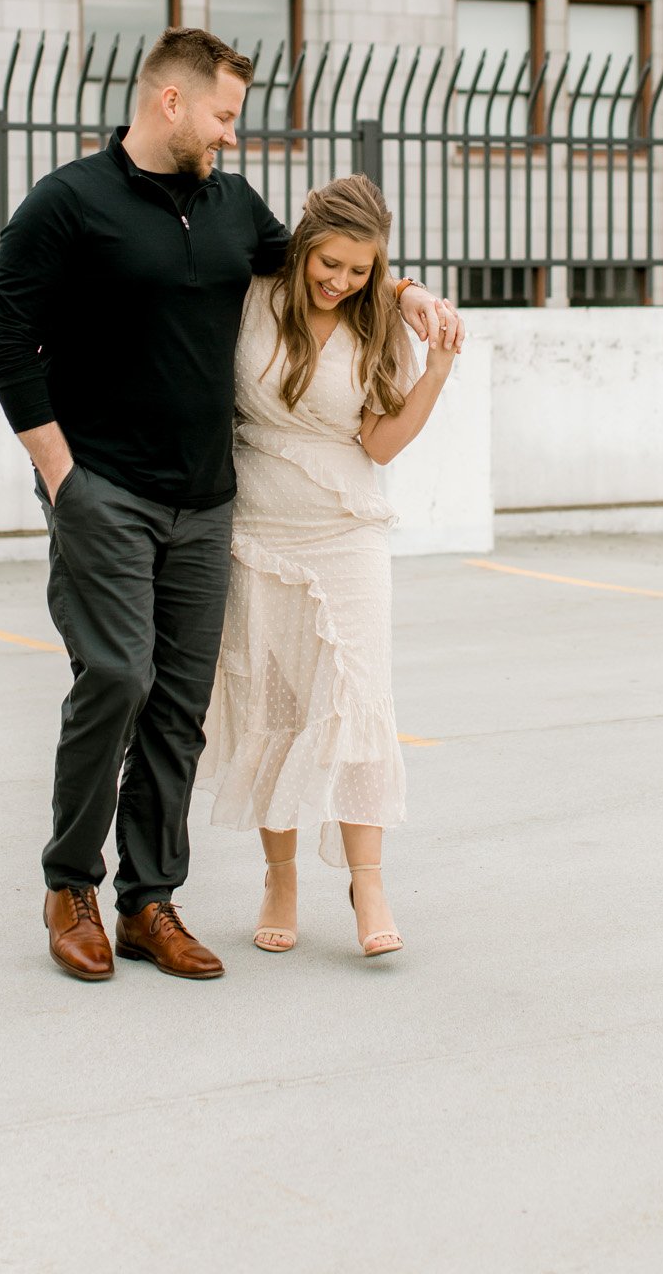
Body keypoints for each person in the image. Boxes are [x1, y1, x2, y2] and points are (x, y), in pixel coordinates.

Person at [0, 27, 458, 984]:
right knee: (117, 677)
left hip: (207, 505)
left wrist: (405, 290)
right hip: (103, 490)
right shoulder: (66, 204)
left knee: (181, 709)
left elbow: (323, 258)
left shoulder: (233, 206)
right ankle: (70, 885)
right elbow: (4, 339)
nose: (234, 135)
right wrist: (61, 475)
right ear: (171, 103)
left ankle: (150, 902)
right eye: (225, 115)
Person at [198, 175, 461, 959]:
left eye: (359, 271)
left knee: (358, 702)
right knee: (273, 707)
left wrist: (434, 373)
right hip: (256, 528)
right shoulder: (252, 291)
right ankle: (279, 877)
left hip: (344, 532)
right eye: (330, 265)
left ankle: (368, 880)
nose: (341, 282)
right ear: (303, 243)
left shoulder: (378, 315)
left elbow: (377, 444)